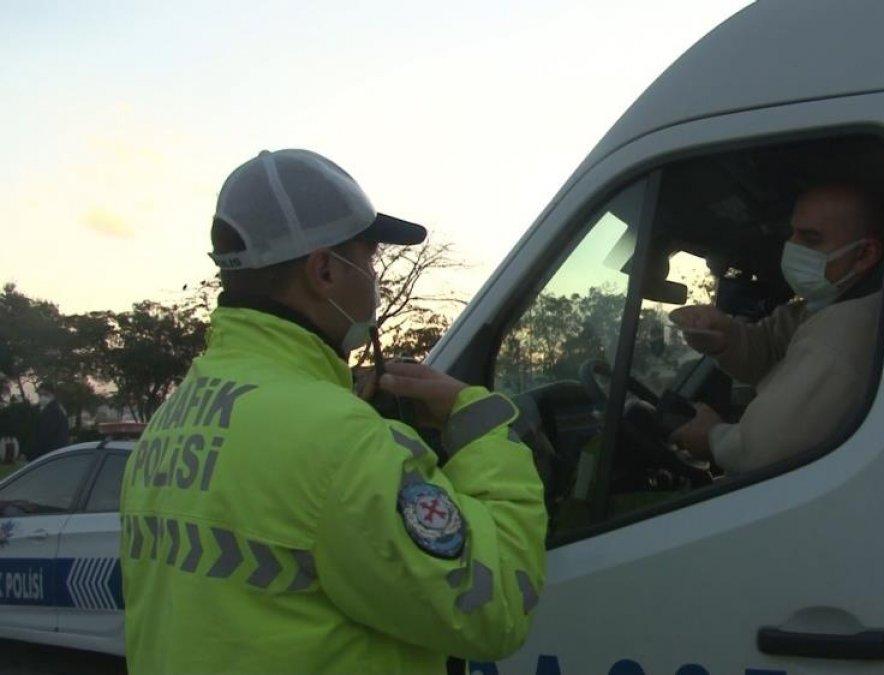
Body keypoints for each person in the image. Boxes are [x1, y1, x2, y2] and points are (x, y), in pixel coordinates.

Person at [120, 149, 547, 673]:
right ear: (323, 269)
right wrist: (476, 425)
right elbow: (495, 608)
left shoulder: (173, 419)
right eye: (368, 260)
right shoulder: (342, 440)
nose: (374, 279)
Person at [669, 183, 884, 474]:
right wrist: (727, 337)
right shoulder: (821, 305)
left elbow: (761, 451)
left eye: (810, 238)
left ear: (864, 255)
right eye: (792, 234)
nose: (792, 247)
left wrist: (711, 436)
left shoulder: (846, 329)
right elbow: (771, 346)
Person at [28, 381, 69, 461]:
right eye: (40, 395)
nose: (42, 397)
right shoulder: (38, 409)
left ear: (53, 395)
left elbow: (46, 434)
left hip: (50, 454)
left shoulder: (56, 411)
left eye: (46, 394)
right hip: (41, 454)